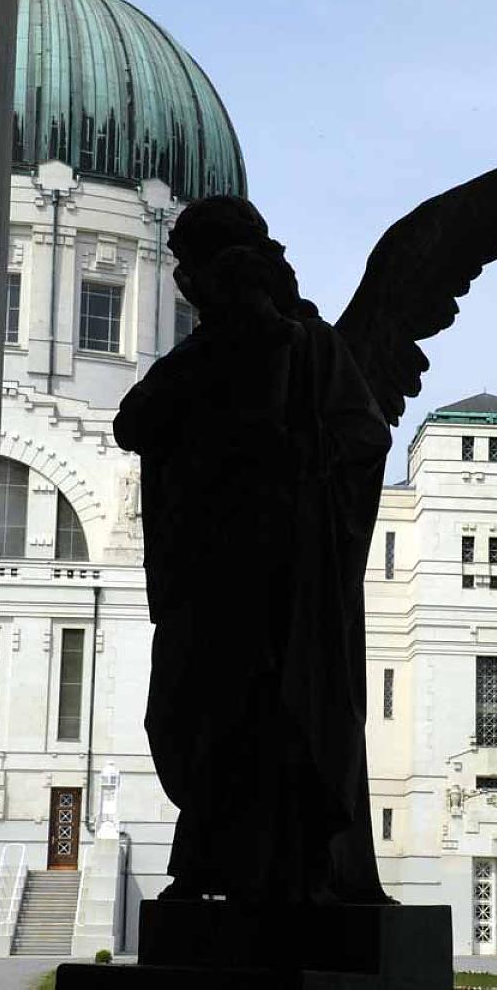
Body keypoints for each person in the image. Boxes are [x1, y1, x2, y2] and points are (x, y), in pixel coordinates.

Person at [114, 196, 393, 904]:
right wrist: (221, 356)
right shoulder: (204, 354)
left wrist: (302, 461)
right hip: (210, 572)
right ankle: (215, 853)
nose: (189, 283)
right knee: (188, 710)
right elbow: (134, 422)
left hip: (284, 576)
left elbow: (366, 435)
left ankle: (282, 868)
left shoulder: (310, 347)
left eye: (197, 266)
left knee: (276, 714)